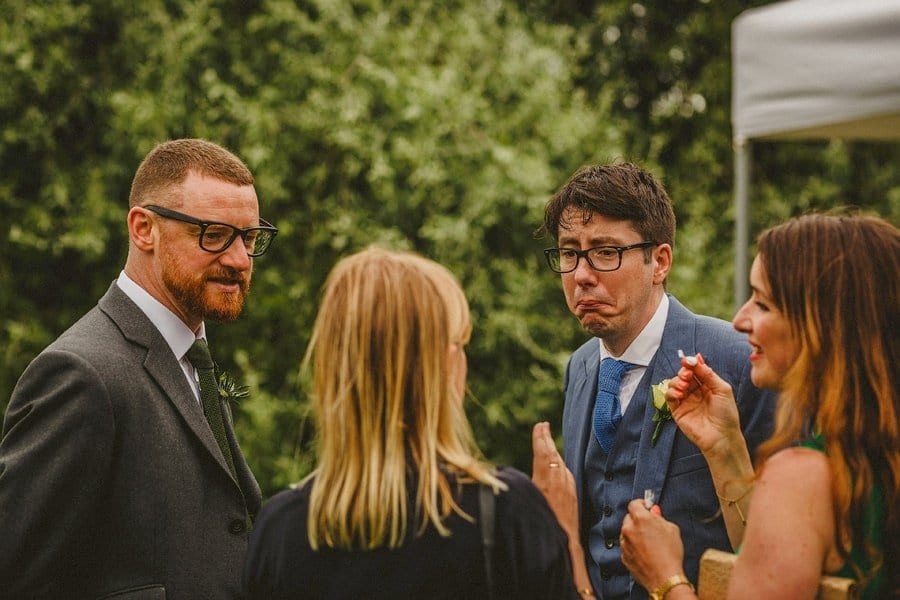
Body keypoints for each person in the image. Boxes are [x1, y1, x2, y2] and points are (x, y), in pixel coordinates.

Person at [0, 138, 276, 599]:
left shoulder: (192, 361)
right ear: (144, 228)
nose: (239, 260)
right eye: (213, 234)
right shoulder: (80, 375)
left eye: (248, 238)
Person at [243, 246, 592, 599]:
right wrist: (566, 539)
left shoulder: (280, 531)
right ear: (439, 366)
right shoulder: (504, 513)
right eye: (459, 344)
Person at [620, 213, 898, 600]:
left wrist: (666, 577)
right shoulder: (873, 456)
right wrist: (724, 447)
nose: (740, 320)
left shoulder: (802, 476)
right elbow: (776, 562)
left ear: (824, 326)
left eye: (763, 304)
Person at [535, 162, 775, 599]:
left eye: (606, 252)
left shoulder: (737, 359)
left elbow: (781, 540)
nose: (581, 275)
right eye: (569, 252)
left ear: (659, 261)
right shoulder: (580, 367)